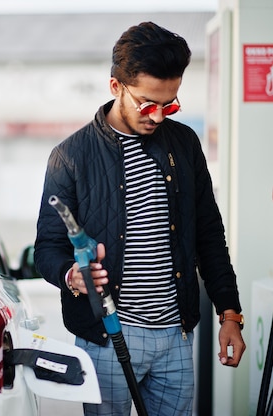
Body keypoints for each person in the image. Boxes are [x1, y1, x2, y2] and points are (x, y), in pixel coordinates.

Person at [33, 21, 246, 416]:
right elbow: (46, 247)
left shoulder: (184, 145)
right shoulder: (70, 156)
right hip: (107, 338)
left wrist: (230, 313)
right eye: (148, 104)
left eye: (171, 104)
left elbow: (209, 237)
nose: (159, 116)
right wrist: (71, 275)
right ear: (116, 87)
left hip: (175, 336)